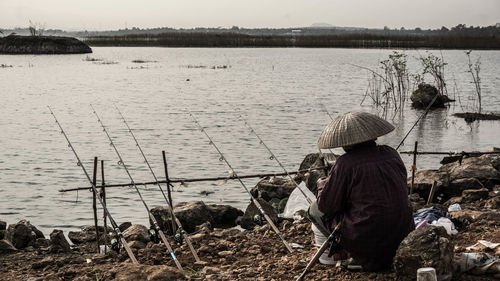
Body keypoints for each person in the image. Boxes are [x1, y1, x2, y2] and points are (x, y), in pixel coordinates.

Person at [309, 111, 414, 271]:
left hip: (365, 236)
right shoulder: (392, 153)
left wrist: (322, 185)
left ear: (345, 143)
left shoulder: (345, 163)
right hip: (403, 232)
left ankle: (355, 254)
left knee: (315, 209)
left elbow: (327, 206)